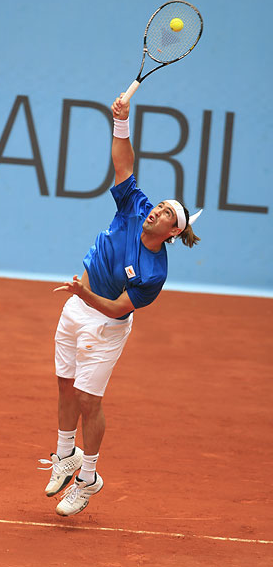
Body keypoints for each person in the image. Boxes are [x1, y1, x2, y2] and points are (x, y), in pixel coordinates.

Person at [38, 93, 201, 517]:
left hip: (105, 325)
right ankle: (65, 455)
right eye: (159, 206)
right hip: (77, 306)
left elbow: (115, 309)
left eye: (165, 214)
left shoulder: (154, 273)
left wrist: (82, 293)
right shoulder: (134, 206)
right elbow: (123, 165)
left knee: (88, 400)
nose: (156, 211)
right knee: (64, 384)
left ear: (172, 231)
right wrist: (122, 121)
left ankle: (88, 479)